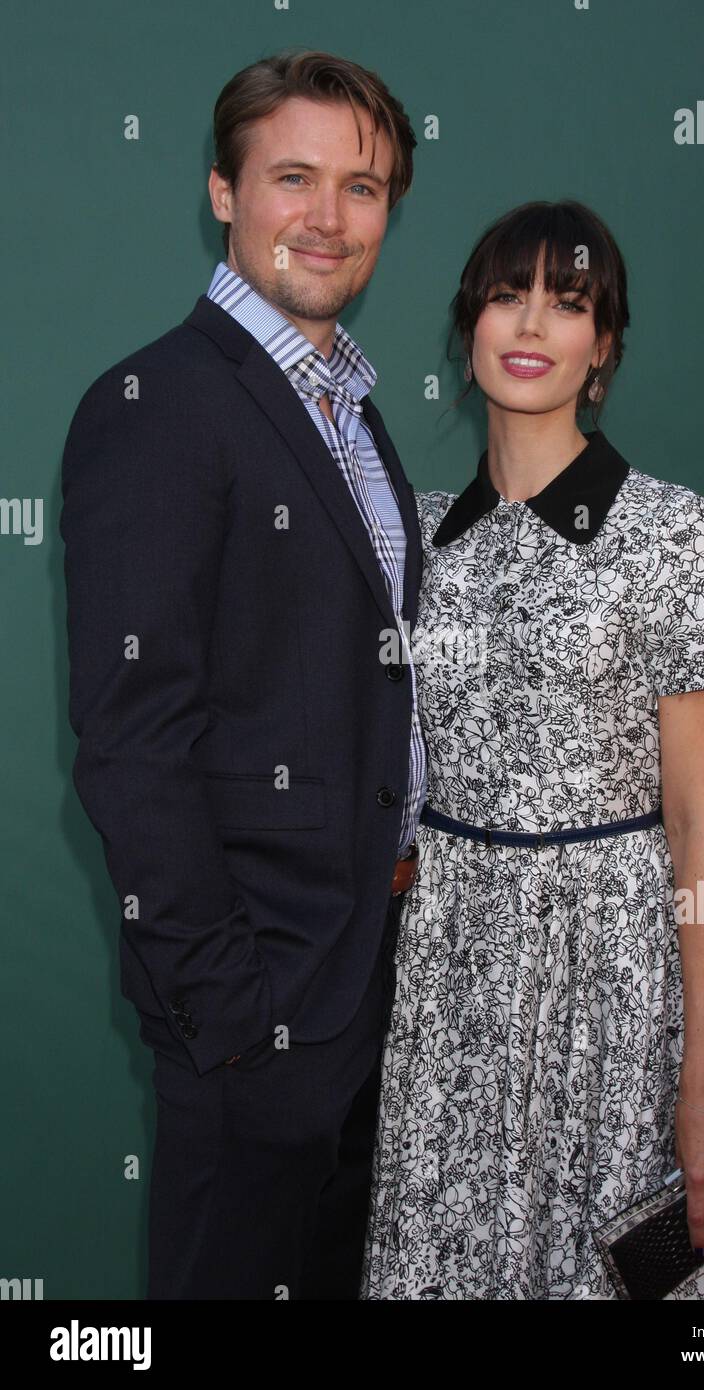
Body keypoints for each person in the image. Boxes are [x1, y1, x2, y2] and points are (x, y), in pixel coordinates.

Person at [60, 48, 426, 1300]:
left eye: (363, 186)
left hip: (372, 992)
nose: (327, 218)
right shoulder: (161, 401)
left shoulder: (356, 419)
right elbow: (130, 739)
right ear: (222, 192)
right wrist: (230, 1013)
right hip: (256, 1012)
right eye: (292, 178)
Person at [362, 199, 704, 1299]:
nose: (532, 320)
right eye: (507, 293)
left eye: (569, 300)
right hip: (452, 979)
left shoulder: (675, 532)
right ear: (468, 327)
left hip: (616, 981)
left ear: (603, 348)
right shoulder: (410, 535)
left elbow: (699, 829)